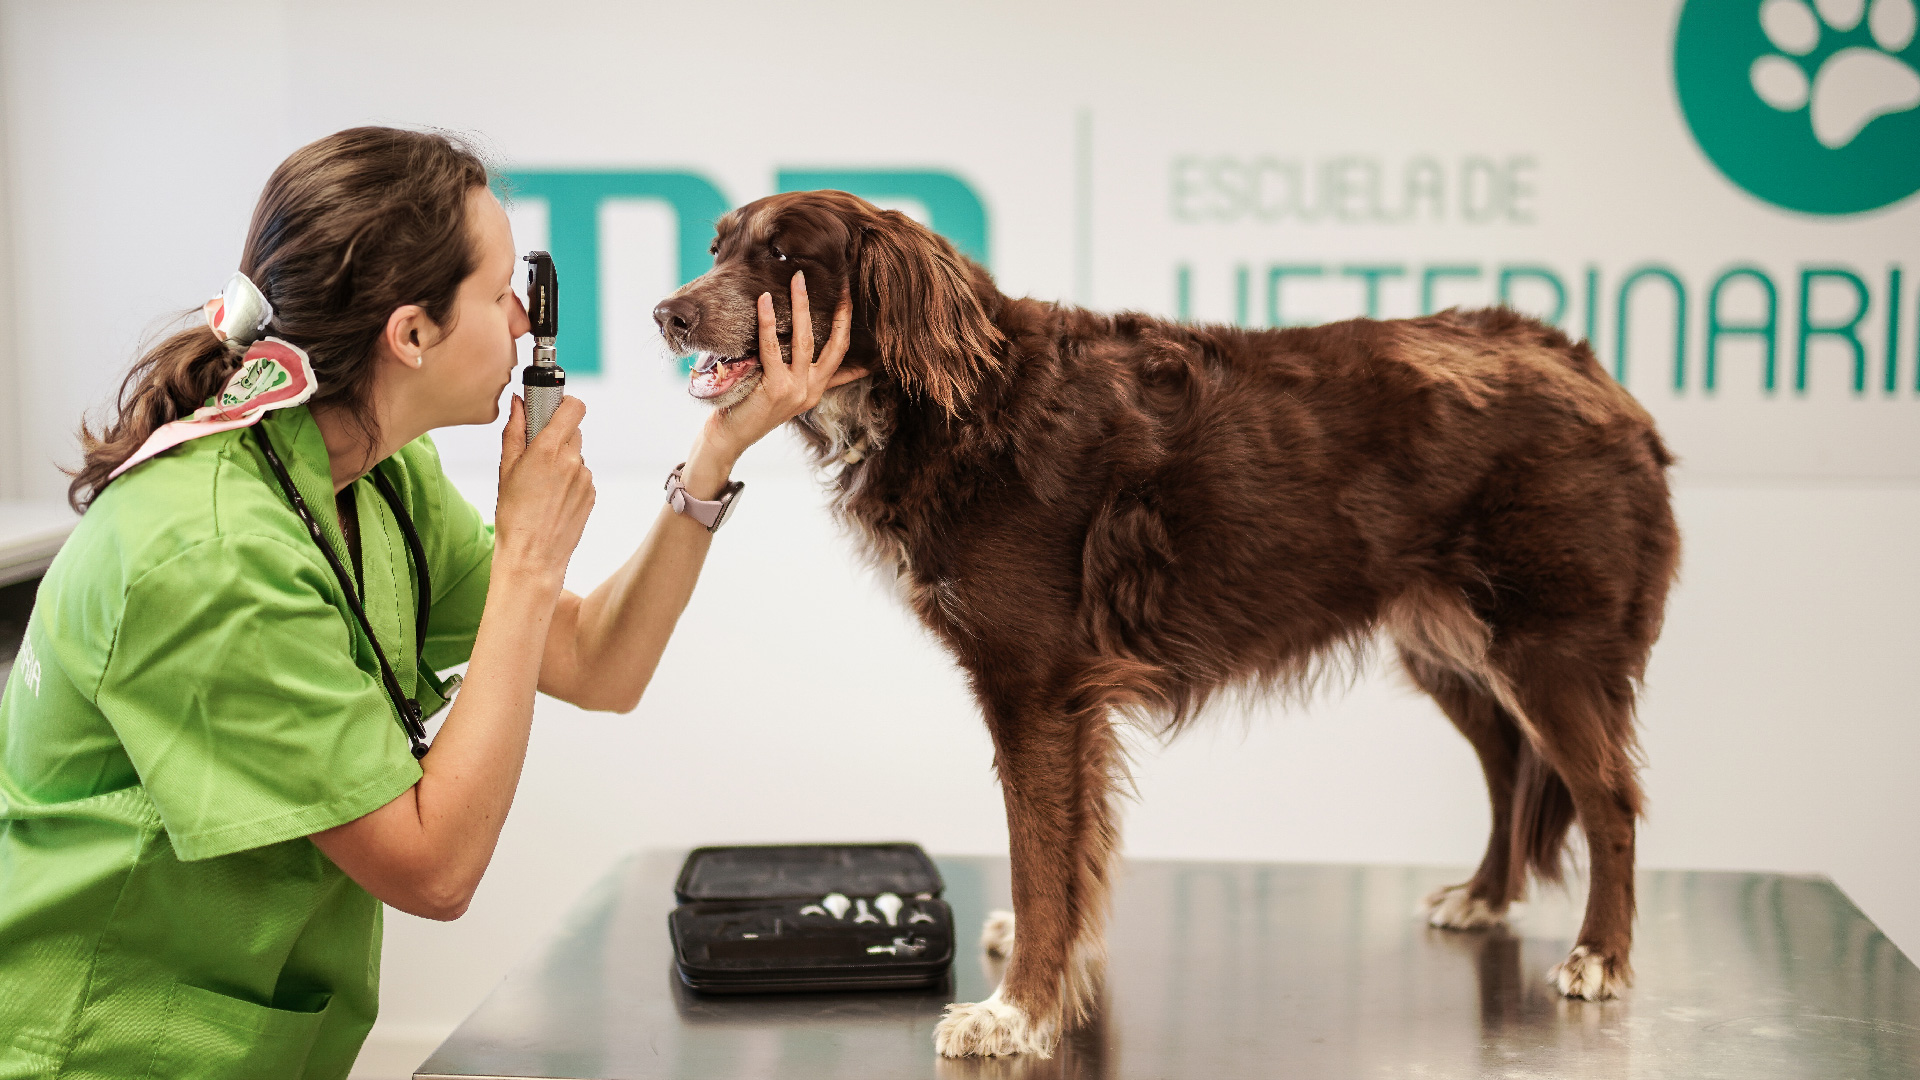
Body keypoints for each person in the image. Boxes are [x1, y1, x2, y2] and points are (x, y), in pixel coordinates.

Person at [0, 126, 861, 1080]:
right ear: (410, 334)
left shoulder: (378, 477)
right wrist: (528, 557)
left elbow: (599, 665)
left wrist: (715, 452)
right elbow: (435, 870)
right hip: (102, 1050)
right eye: (498, 295)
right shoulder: (208, 554)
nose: (524, 323)